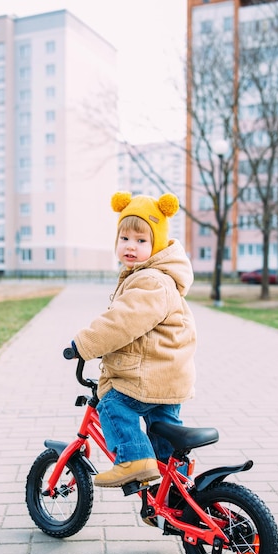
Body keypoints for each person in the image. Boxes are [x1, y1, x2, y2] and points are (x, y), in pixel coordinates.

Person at [71, 191, 197, 487]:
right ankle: (174, 499)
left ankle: (133, 459)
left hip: (148, 376)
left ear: (157, 245)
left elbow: (122, 323)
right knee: (166, 442)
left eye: (141, 241)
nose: (131, 247)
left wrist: (84, 344)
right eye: (124, 239)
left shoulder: (151, 280)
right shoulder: (154, 276)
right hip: (167, 379)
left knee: (112, 404)